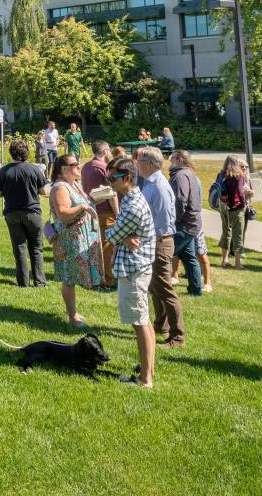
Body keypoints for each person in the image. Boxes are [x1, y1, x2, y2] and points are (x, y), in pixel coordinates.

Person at [102, 162, 156, 388]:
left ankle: (145, 379)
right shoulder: (131, 198)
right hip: (136, 268)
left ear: (127, 178)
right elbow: (118, 233)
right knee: (143, 320)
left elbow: (111, 234)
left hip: (134, 270)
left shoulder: (132, 205)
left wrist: (118, 235)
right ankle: (147, 370)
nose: (109, 183)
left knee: (139, 322)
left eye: (112, 179)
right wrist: (121, 235)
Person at [134, 147, 185, 346]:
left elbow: (163, 222)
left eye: (138, 161)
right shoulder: (151, 183)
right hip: (153, 242)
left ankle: (177, 336)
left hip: (159, 242)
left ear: (147, 164)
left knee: (164, 289)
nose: (136, 165)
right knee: (155, 288)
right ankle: (160, 326)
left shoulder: (158, 186)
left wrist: (152, 241)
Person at [48, 155, 104, 330]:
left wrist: (96, 198)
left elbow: (84, 203)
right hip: (68, 240)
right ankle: (72, 316)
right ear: (63, 169)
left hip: (78, 237)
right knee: (69, 278)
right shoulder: (59, 187)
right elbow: (63, 213)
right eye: (74, 164)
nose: (78, 166)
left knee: (73, 275)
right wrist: (82, 207)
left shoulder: (74, 184)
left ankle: (73, 312)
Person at [0, 139, 48, 287]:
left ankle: (23, 282)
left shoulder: (4, 171)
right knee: (36, 248)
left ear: (11, 153)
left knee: (19, 248)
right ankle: (40, 281)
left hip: (12, 213)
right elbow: (44, 191)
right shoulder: (34, 169)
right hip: (33, 212)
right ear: (26, 153)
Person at [79, 140, 118, 289]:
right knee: (106, 249)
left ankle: (95, 276)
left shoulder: (85, 167)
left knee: (94, 247)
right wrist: (118, 213)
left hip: (91, 210)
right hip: (105, 212)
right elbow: (112, 193)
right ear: (105, 151)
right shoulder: (104, 168)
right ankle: (106, 279)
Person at [166, 149, 203, 299]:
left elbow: (181, 200)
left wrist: (176, 218)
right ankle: (195, 289)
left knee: (164, 254)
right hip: (192, 223)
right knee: (189, 257)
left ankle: (159, 287)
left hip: (183, 224)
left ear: (180, 159)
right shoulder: (190, 174)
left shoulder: (180, 176)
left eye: (172, 158)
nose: (170, 161)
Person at [215, 156, 252, 268]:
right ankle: (237, 262)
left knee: (226, 232)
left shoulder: (221, 175)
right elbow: (241, 192)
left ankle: (224, 260)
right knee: (238, 235)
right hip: (237, 208)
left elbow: (217, 190)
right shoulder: (239, 176)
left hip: (224, 207)